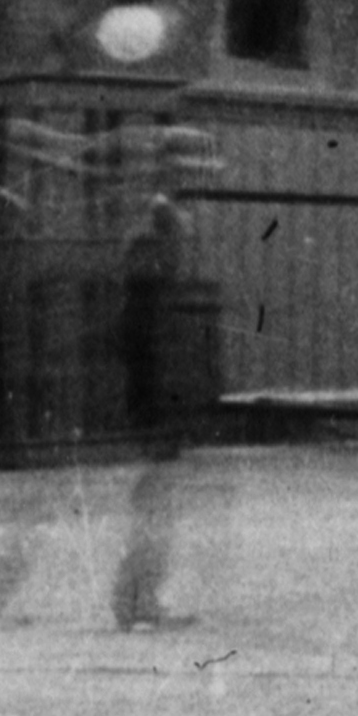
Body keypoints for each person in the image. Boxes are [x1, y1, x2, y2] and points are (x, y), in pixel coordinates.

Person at [113, 139, 223, 630]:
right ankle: (137, 600)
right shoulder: (156, 234)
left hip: (160, 391)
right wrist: (167, 402)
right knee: (157, 501)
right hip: (157, 394)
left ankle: (138, 598)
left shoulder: (159, 230)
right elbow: (150, 328)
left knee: (159, 499)